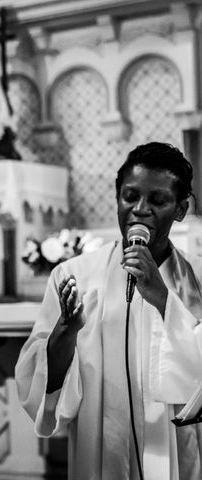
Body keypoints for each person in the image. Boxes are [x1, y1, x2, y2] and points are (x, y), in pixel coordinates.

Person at [15, 142, 202, 480]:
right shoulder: (74, 276)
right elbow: (41, 384)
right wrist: (65, 333)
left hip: (179, 445)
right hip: (103, 450)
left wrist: (162, 298)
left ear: (181, 209)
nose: (140, 210)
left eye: (157, 200)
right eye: (130, 197)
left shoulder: (198, 279)